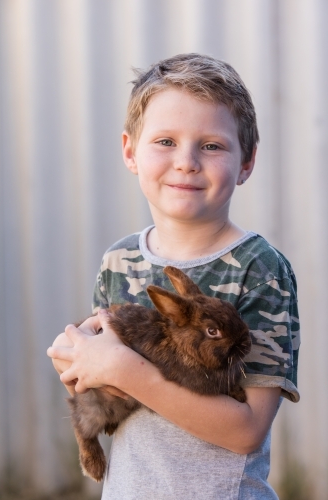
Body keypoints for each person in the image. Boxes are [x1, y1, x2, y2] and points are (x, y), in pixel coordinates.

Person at [47, 53, 300, 499]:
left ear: (246, 162)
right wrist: (75, 359)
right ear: (130, 151)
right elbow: (100, 375)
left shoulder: (261, 270)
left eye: (212, 145)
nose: (186, 162)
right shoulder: (118, 260)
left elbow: (246, 432)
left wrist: (131, 372)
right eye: (165, 141)